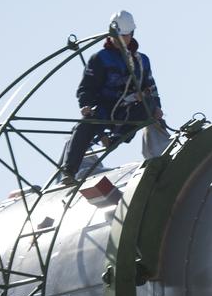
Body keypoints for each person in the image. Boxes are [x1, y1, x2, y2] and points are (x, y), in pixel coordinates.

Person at [59, 10, 163, 184]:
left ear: (132, 34)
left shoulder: (141, 60)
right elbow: (86, 88)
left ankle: (115, 139)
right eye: (118, 36)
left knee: (149, 105)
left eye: (126, 35)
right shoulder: (100, 59)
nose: (122, 40)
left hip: (128, 111)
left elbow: (150, 86)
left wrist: (157, 107)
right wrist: (85, 106)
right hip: (104, 111)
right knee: (82, 128)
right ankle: (69, 172)